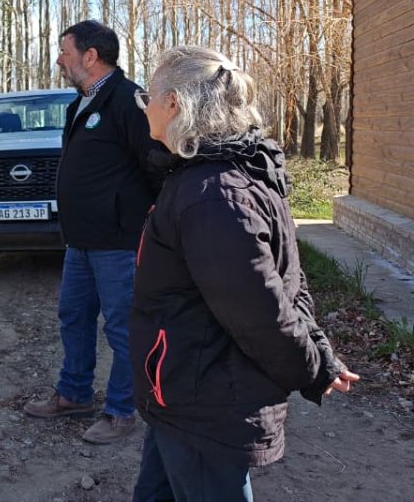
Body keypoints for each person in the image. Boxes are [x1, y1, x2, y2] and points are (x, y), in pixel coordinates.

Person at [130, 46, 359, 501]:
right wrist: (319, 351)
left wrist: (314, 367)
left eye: (147, 98)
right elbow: (286, 283)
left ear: (173, 103)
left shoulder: (212, 195)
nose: (145, 108)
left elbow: (262, 309)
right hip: (182, 390)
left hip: (205, 397)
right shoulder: (227, 174)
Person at [25, 19, 164, 444]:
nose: (59, 60)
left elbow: (156, 166)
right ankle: (74, 394)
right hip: (81, 240)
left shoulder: (128, 101)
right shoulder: (80, 104)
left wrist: (147, 223)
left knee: (122, 328)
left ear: (90, 56)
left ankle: (122, 411)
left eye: (64, 52)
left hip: (118, 241)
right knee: (73, 316)